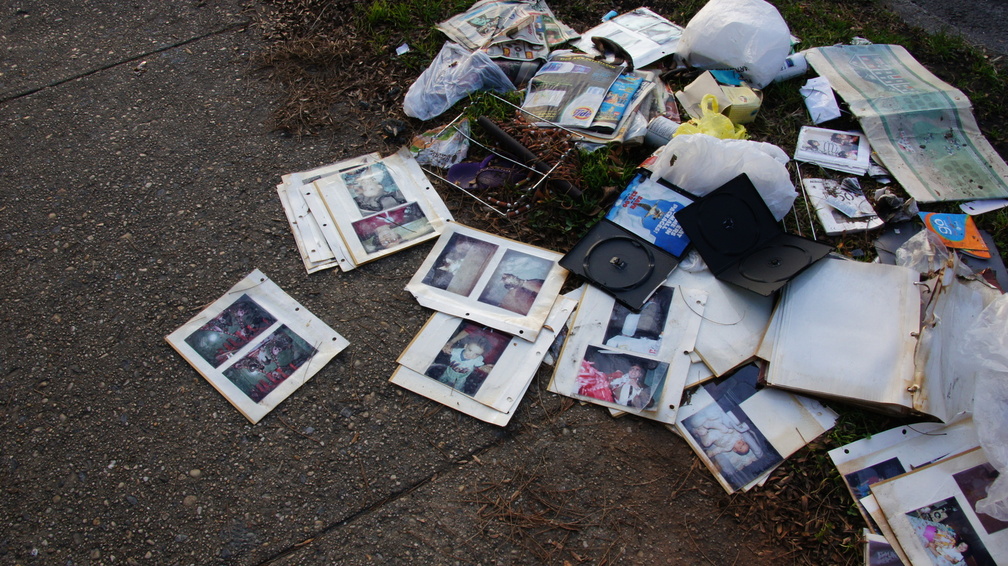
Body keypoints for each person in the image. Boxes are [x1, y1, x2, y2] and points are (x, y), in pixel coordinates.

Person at [427, 335, 494, 393]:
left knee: (457, 390)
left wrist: (485, 368)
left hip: (461, 379)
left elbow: (480, 366)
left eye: (476, 354)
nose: (471, 355)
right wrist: (444, 348)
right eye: (470, 350)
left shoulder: (477, 360)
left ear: (480, 355)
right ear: (465, 346)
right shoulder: (456, 351)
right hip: (448, 373)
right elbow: (447, 350)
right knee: (440, 382)